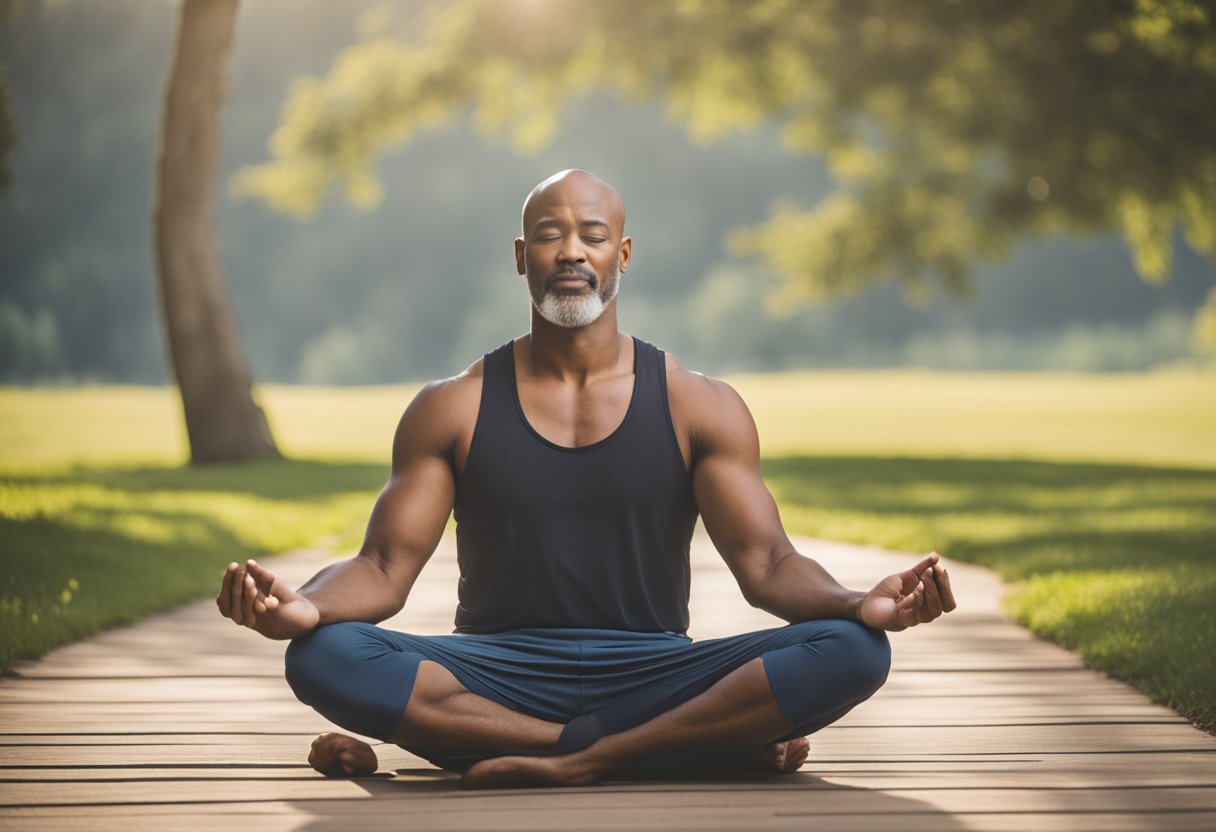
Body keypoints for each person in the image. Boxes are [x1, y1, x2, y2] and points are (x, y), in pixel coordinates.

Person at [216, 169, 956, 788]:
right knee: (324, 656)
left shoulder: (700, 405)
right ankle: (671, 750)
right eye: (550, 233)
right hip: (495, 674)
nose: (571, 251)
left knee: (855, 650)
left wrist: (860, 604)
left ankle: (565, 755)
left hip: (654, 669)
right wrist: (305, 609)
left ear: (622, 253)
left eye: (592, 234)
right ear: (521, 255)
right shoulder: (452, 408)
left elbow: (768, 564)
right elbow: (382, 567)